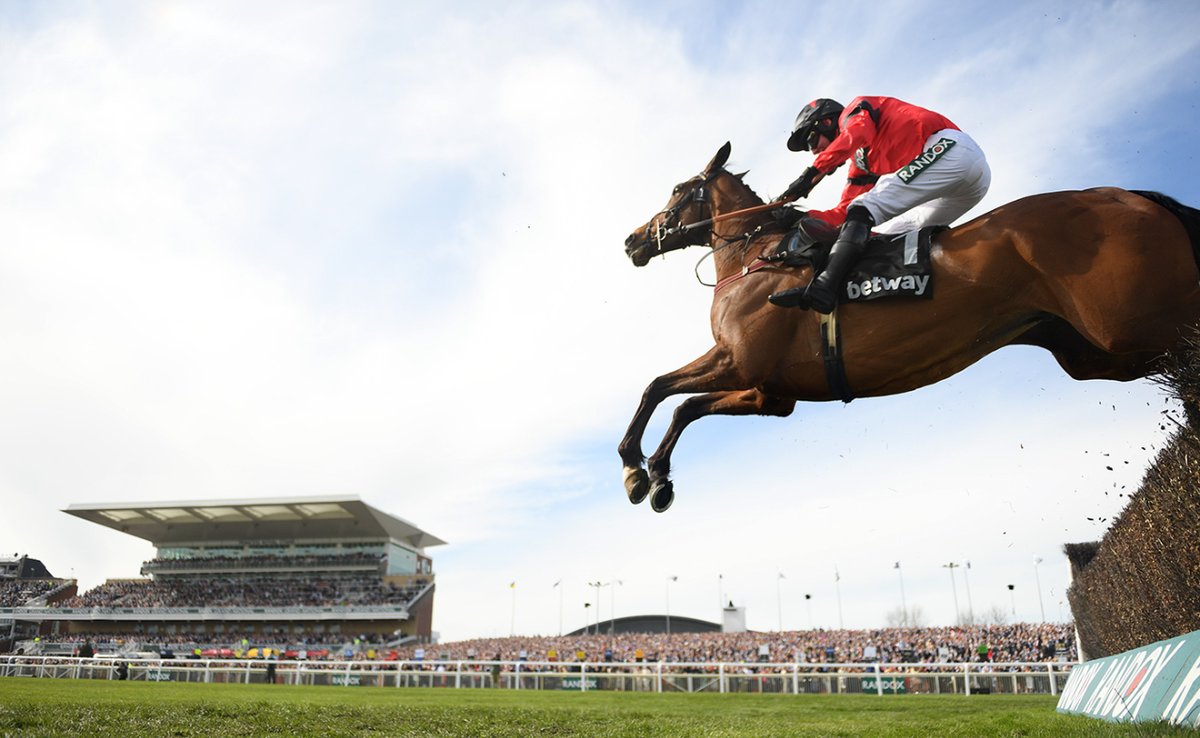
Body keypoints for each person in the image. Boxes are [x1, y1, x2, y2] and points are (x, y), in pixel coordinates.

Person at [768, 96, 991, 313]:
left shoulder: (855, 111)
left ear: (826, 122)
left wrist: (812, 173)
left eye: (812, 141)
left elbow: (857, 133)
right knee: (890, 234)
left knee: (864, 207)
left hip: (951, 151)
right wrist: (802, 218)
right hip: (969, 186)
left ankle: (825, 286)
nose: (814, 151)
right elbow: (845, 211)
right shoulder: (861, 163)